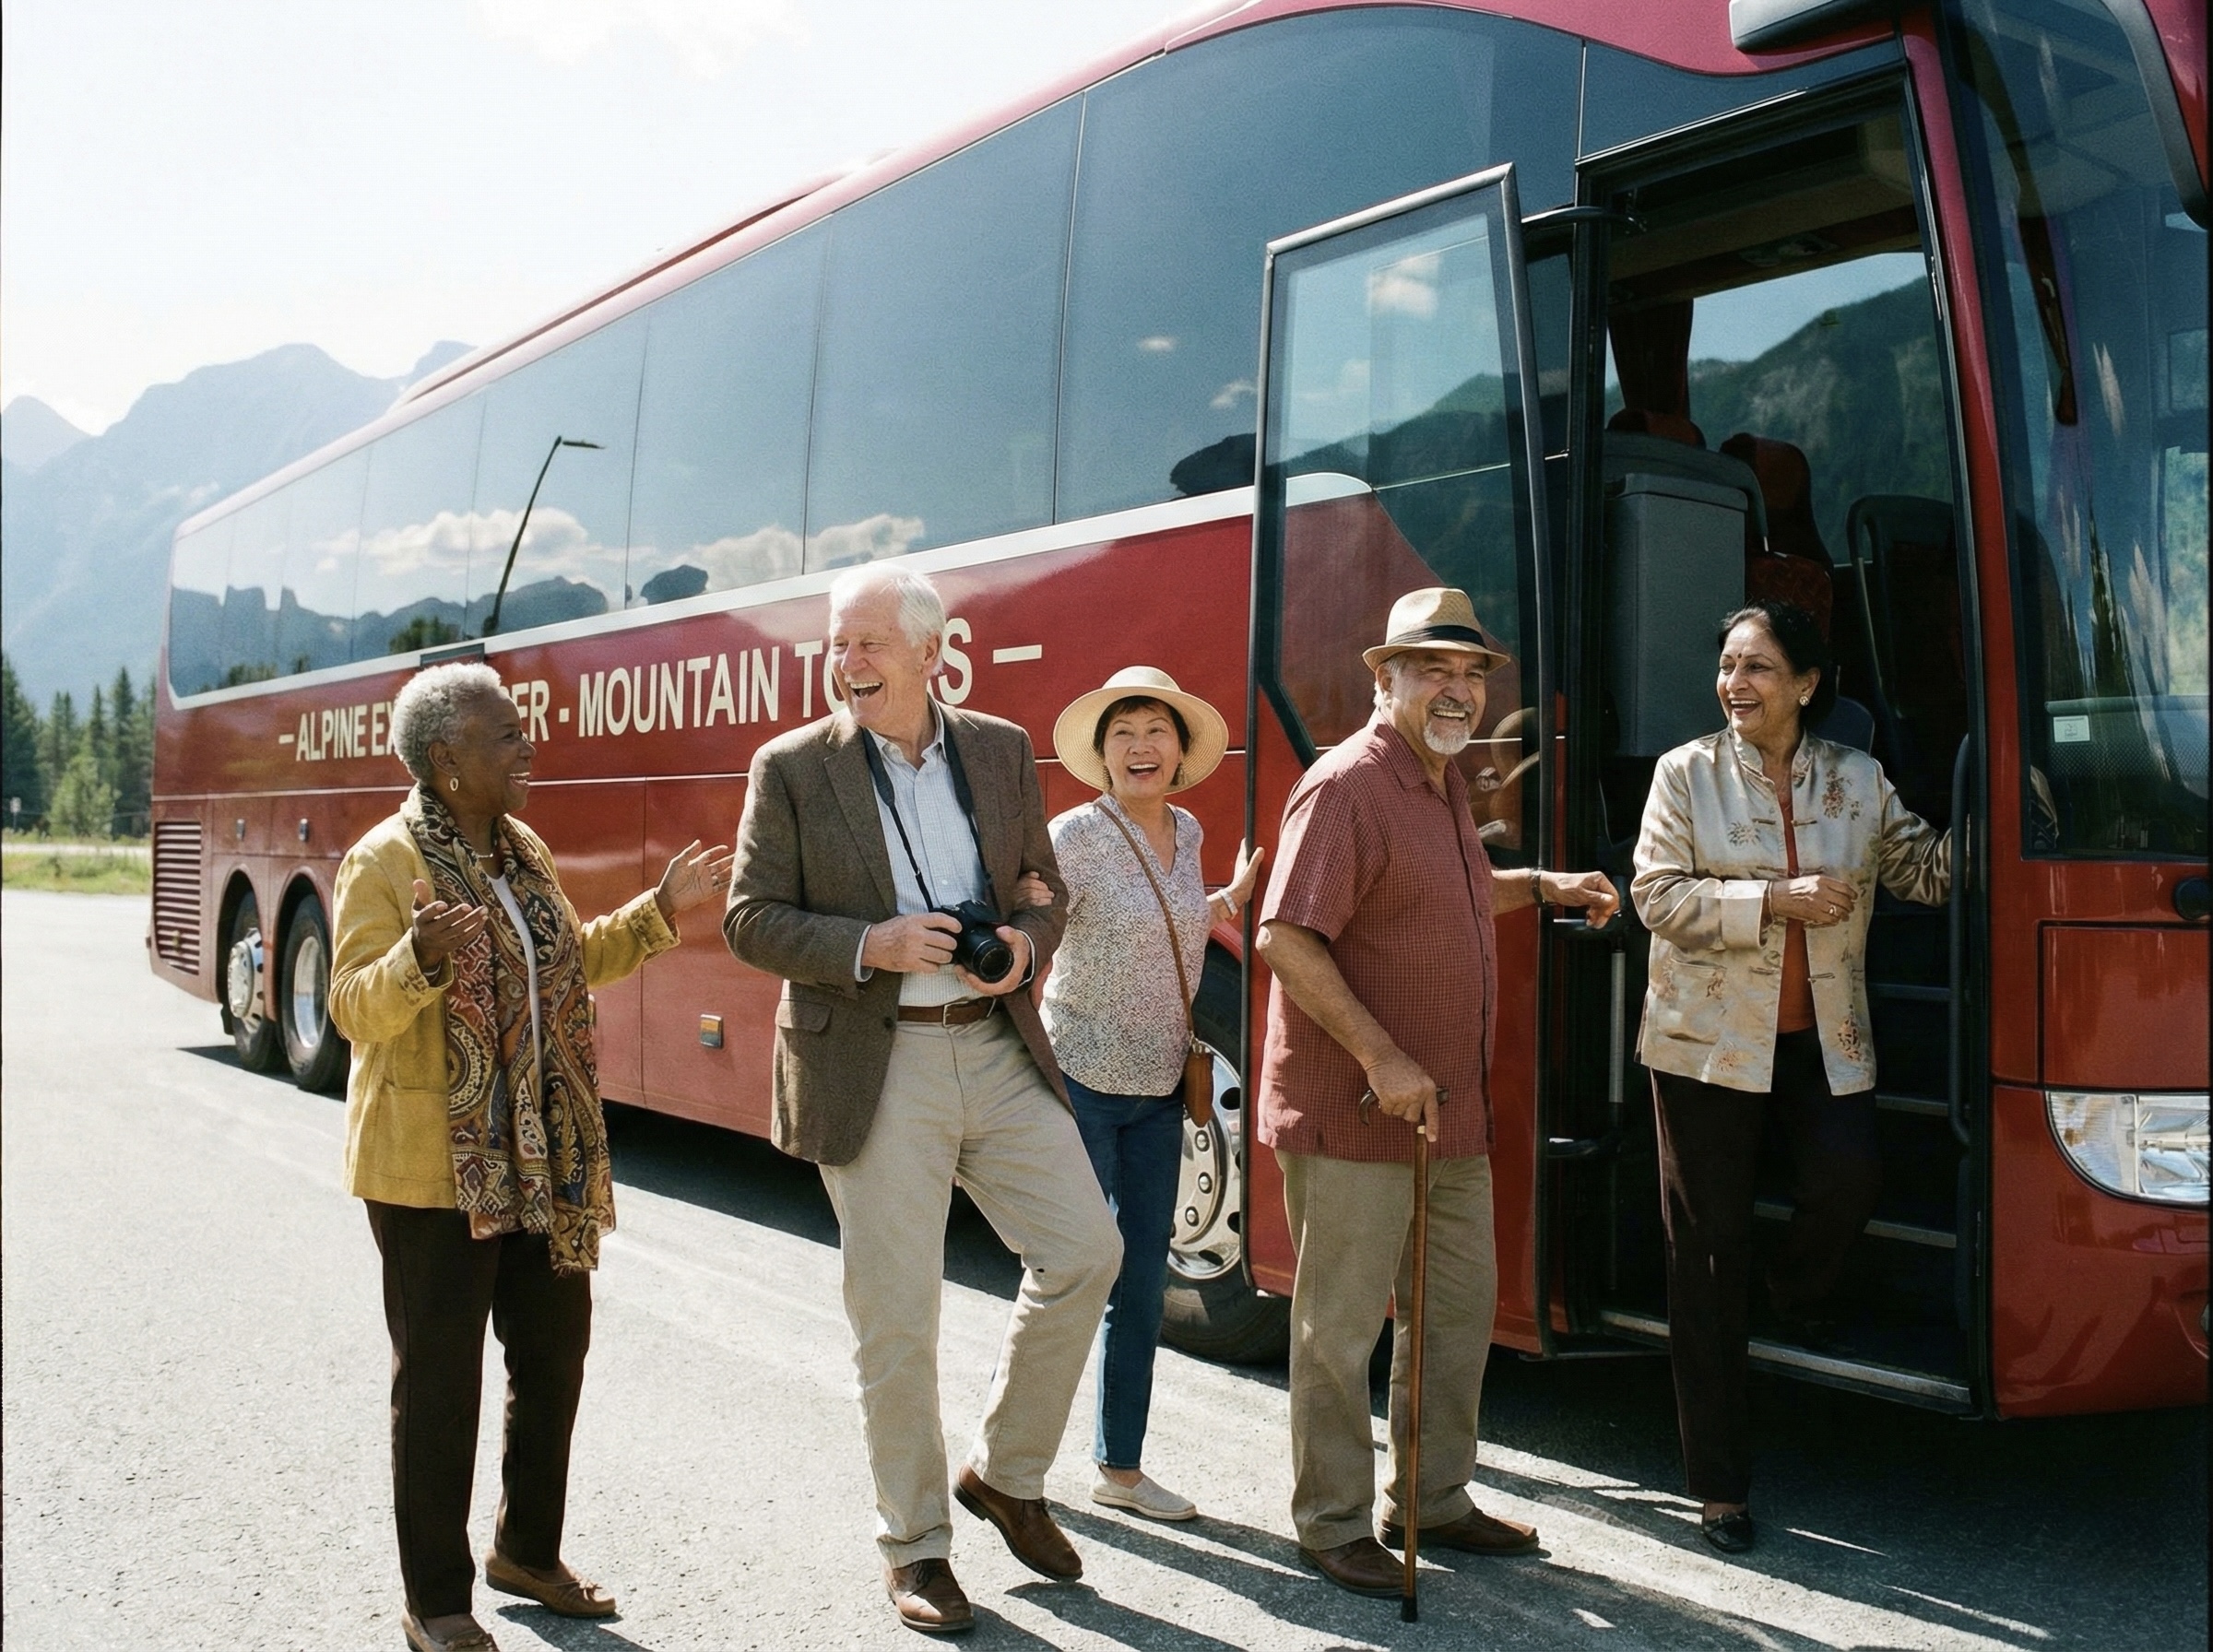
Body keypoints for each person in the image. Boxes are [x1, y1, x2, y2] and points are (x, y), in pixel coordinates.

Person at [724, 565, 1122, 1638]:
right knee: (898, 1316)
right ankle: (916, 1545)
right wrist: (873, 943)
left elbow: (1045, 886)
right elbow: (750, 918)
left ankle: (1006, 1474)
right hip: (875, 1055)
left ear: (930, 651)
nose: (846, 663)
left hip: (992, 1040)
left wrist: (1024, 946)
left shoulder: (998, 747)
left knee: (1087, 1250)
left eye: (867, 643)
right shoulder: (791, 767)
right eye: (837, 644)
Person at [331, 661, 730, 1652]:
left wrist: (656, 911)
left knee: (553, 1353)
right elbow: (351, 1006)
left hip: (539, 1156)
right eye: (507, 735)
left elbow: (566, 960)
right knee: (440, 1379)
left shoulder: (523, 851)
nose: (528, 747)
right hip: (432, 1168)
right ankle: (436, 1601)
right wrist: (417, 958)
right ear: (447, 759)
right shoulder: (384, 862)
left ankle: (526, 1551)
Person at [1254, 587, 1620, 1599]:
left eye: (1471, 674)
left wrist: (1542, 884)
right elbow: (1285, 936)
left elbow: (1449, 894)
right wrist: (1381, 1057)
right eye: (1433, 670)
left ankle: (1432, 1498)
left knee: (1454, 1315)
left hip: (1448, 1113)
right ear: (1386, 679)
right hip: (1357, 1113)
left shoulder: (1441, 779)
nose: (1458, 690)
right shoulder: (1348, 784)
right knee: (1339, 1333)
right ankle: (1331, 1523)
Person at [1633, 598, 1949, 1554]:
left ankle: (1796, 1293)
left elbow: (1923, 872)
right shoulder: (1684, 774)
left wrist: (2019, 815)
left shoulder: (1857, 777)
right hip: (1704, 1049)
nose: (1735, 684)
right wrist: (1775, 899)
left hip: (1824, 1039)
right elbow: (1656, 896)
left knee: (1850, 1181)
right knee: (1706, 1258)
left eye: (1758, 667)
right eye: (1728, 665)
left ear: (1807, 684)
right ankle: (1719, 1487)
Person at [1025, 666, 1265, 1524]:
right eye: (1123, 731)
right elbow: (1031, 923)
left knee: (1138, 1287)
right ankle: (1009, 1466)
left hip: (1162, 1087)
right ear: (1101, 754)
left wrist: (1227, 900)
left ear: (1180, 750)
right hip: (1082, 1085)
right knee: (1066, 1276)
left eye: (1156, 729)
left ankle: (1118, 1471)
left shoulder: (1189, 831)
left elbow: (1168, 920)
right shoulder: (1073, 836)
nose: (1140, 746)